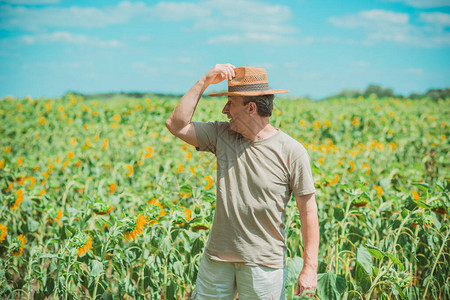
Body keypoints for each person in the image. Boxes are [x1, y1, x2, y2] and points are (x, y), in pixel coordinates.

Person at [166, 64, 319, 299]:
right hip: (217, 258)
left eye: (231, 102)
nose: (224, 110)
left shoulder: (291, 151)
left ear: (251, 108)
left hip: (264, 264)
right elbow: (175, 124)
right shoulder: (222, 135)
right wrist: (204, 81)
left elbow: (308, 211)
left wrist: (309, 268)